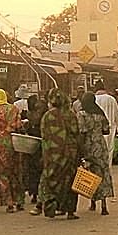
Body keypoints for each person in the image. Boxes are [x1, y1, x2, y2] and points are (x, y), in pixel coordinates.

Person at [39, 88, 80, 220]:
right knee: (69, 181)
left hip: (51, 155)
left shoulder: (47, 116)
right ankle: (70, 211)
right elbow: (75, 132)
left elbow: (43, 135)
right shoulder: (70, 115)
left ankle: (51, 204)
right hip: (69, 154)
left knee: (52, 179)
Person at [78, 92, 113, 215]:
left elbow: (81, 132)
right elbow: (106, 130)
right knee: (102, 172)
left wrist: (80, 149)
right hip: (101, 145)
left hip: (89, 145)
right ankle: (104, 205)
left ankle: (92, 202)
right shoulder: (100, 113)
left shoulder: (82, 114)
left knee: (91, 174)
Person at [24, 94, 47, 215]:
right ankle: (35, 194)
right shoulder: (31, 114)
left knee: (38, 171)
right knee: (33, 170)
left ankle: (38, 197)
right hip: (33, 146)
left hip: (40, 146)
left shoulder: (43, 117)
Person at [93, 81, 118, 164]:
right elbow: (117, 116)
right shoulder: (111, 99)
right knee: (108, 150)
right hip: (110, 129)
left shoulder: (93, 99)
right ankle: (108, 170)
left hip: (96, 129)